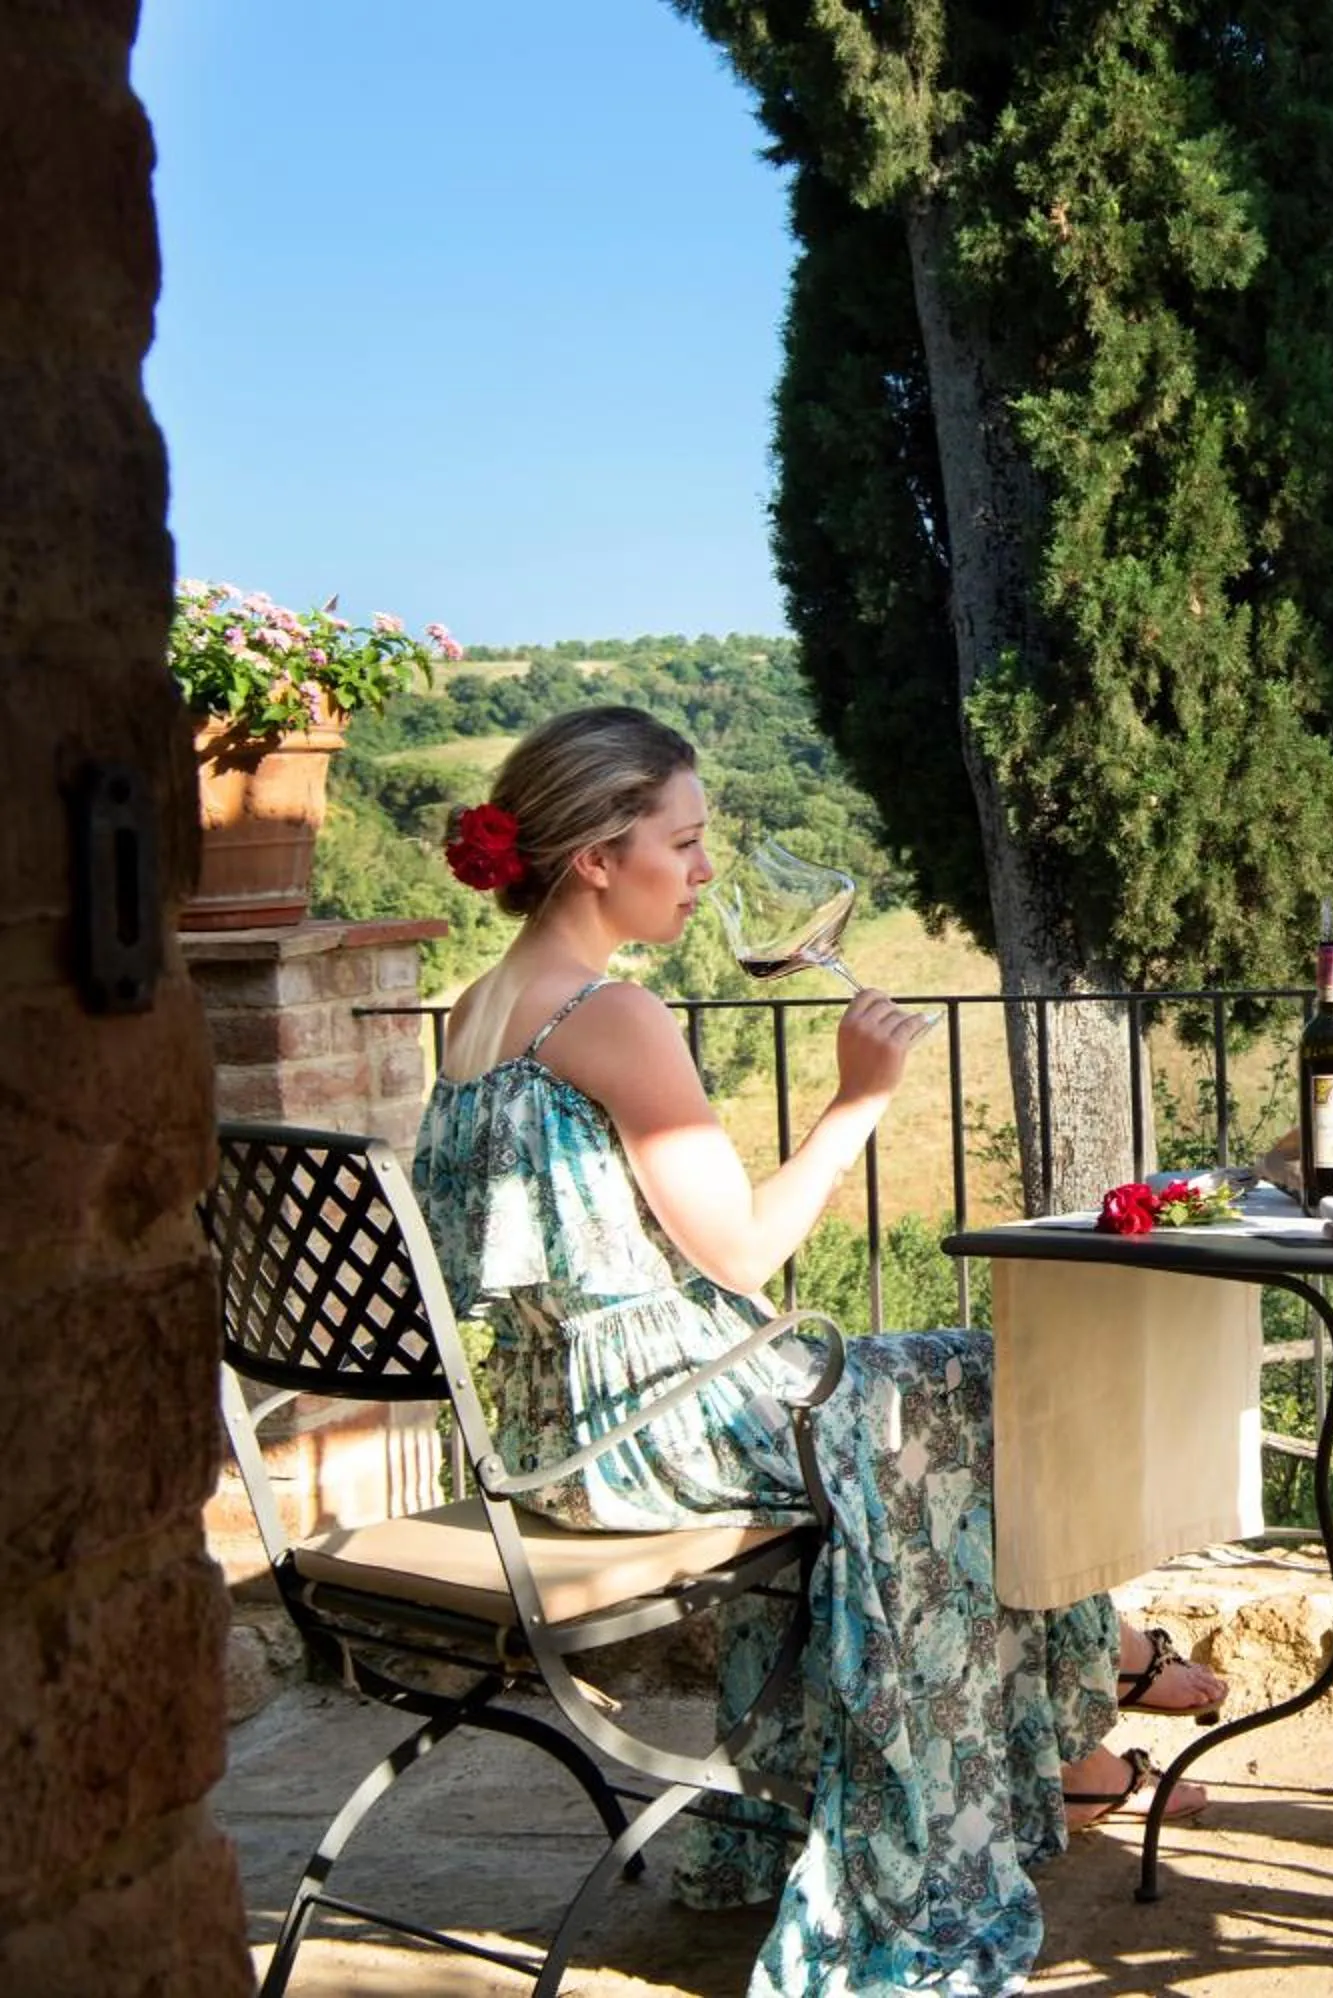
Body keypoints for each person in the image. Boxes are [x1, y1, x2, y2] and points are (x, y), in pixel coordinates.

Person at [410, 705, 1225, 1997]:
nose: (708, 869)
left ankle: (1081, 1700)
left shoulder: (475, 1006)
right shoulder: (610, 1013)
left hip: (548, 1427)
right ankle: (1074, 1704)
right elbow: (739, 1255)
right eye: (684, 841)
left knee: (941, 1390)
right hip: (657, 1420)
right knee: (1003, 1377)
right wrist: (858, 1102)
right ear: (595, 859)